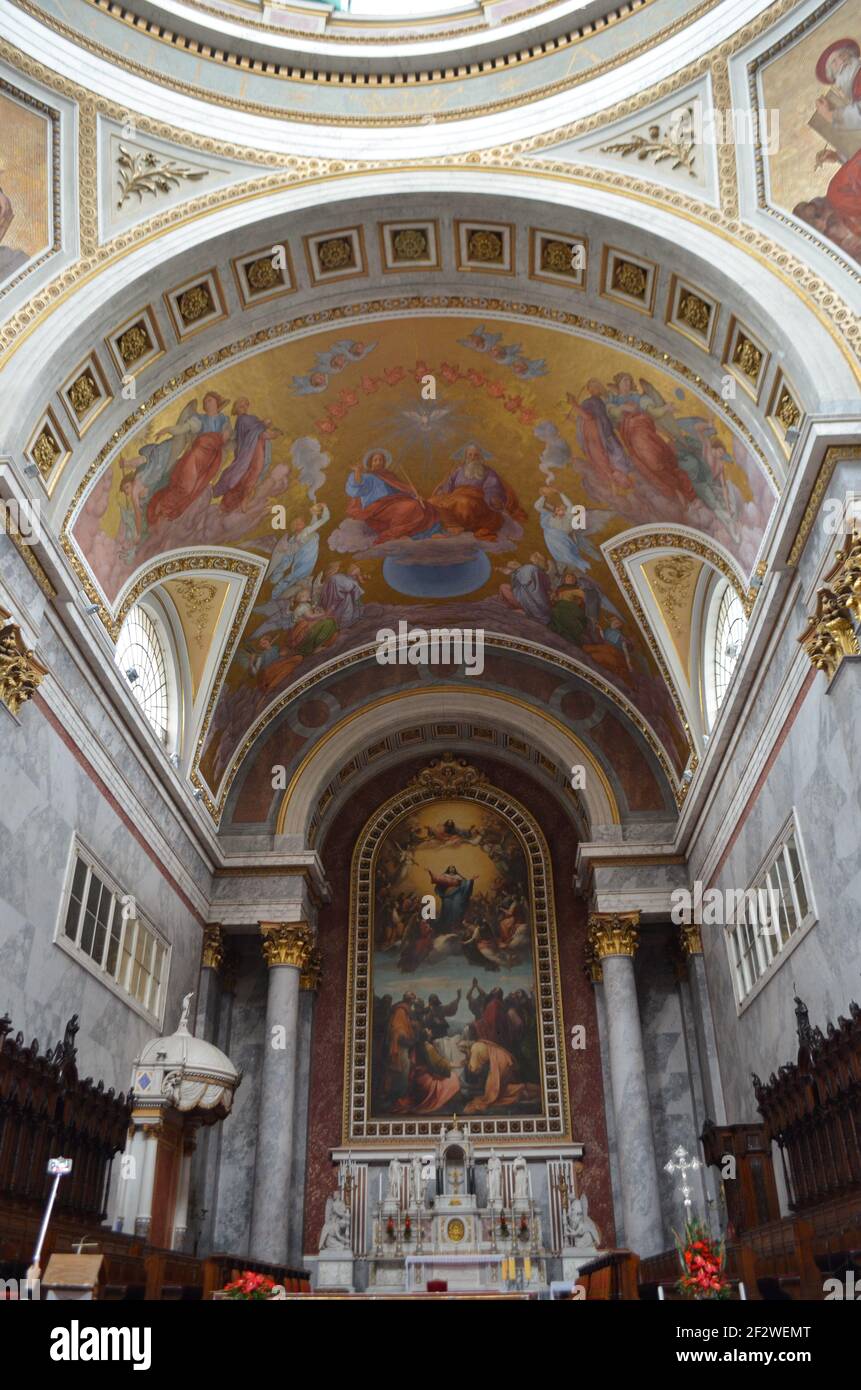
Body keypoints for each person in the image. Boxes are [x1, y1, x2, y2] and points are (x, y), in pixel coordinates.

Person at [146, 392, 233, 527]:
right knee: (185, 487)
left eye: (209, 400)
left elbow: (226, 436)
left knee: (194, 490)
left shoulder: (224, 420)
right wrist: (168, 429)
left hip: (209, 460)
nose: (206, 403)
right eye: (205, 401)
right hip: (196, 455)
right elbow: (183, 428)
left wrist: (223, 436)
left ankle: (166, 511)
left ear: (217, 402)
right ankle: (161, 505)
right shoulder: (199, 419)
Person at [431, 442, 526, 539]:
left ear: (480, 457)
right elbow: (448, 486)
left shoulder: (488, 472)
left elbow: (493, 489)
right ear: (466, 457)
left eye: (476, 455)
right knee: (433, 501)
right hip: (455, 497)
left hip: (478, 502)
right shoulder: (458, 470)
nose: (473, 457)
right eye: (470, 455)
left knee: (464, 502)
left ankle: (457, 527)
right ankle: (451, 525)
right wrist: (442, 493)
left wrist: (493, 499)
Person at [346, 448, 441, 542]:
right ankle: (392, 535)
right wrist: (357, 472)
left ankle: (429, 533)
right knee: (411, 507)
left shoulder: (389, 476)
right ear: (371, 463)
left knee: (425, 506)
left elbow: (400, 491)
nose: (378, 462)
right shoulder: (368, 477)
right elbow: (356, 489)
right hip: (377, 508)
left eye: (381, 460)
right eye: (375, 460)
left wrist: (415, 496)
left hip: (394, 503)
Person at [212, 398, 282, 513]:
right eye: (241, 404)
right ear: (235, 407)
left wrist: (270, 431)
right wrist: (263, 425)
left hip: (257, 447)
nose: (244, 406)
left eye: (246, 404)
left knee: (253, 475)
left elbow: (260, 433)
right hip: (248, 452)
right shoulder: (242, 420)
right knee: (243, 476)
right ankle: (227, 504)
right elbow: (247, 436)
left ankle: (243, 499)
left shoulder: (252, 418)